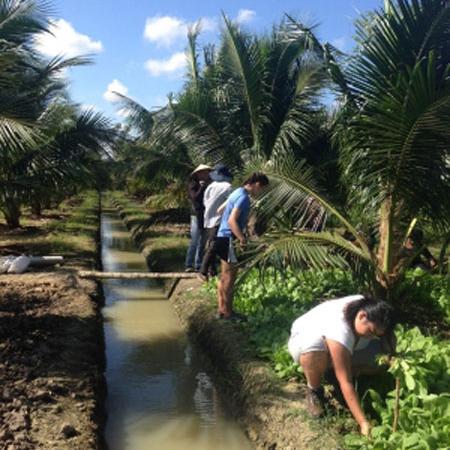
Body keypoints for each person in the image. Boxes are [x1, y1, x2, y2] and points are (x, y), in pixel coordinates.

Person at [287, 295, 394, 436]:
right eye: (371, 332)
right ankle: (314, 390)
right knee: (314, 350)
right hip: (307, 340)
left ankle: (338, 371)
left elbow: (387, 338)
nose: (372, 336)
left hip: (345, 344)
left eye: (377, 334)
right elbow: (346, 382)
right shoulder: (340, 328)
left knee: (385, 354)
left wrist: (390, 353)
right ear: (362, 316)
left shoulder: (369, 307)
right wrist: (363, 423)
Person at [215, 172, 269, 320]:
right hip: (229, 238)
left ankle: (221, 309)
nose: (261, 193)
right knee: (230, 278)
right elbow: (232, 220)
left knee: (224, 277)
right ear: (257, 184)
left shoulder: (236, 192)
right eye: (262, 189)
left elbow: (220, 210)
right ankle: (228, 313)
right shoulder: (244, 198)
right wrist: (242, 238)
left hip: (221, 237)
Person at [198, 164, 233, 281]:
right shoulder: (228, 187)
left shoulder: (210, 186)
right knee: (214, 246)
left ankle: (212, 271)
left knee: (213, 245)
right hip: (219, 220)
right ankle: (203, 271)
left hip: (208, 220)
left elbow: (204, 202)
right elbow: (231, 204)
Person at [185, 164, 212, 272]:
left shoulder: (211, 184)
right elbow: (195, 197)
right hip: (196, 215)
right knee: (195, 240)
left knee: (203, 242)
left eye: (207, 172)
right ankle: (189, 264)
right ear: (197, 174)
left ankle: (198, 265)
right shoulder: (193, 185)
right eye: (203, 172)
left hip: (206, 215)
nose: (205, 174)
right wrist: (202, 187)